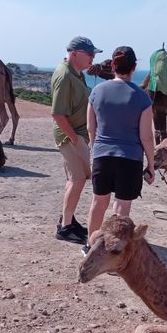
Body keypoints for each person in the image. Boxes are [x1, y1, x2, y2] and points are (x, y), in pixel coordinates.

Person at [85, 46, 155, 251]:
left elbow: (91, 127)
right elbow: (146, 137)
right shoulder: (142, 98)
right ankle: (113, 250)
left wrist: (95, 148)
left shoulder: (97, 92)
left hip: (102, 155)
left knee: (99, 202)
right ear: (134, 67)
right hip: (130, 159)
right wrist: (151, 165)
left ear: (113, 66)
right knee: (122, 207)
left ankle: (91, 245)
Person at [52, 36, 102, 244]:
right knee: (78, 179)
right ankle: (65, 227)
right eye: (89, 54)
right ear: (74, 53)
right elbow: (57, 113)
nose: (92, 57)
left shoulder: (76, 74)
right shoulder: (65, 76)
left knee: (75, 178)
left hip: (76, 134)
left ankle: (68, 219)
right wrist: (74, 138)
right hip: (70, 135)